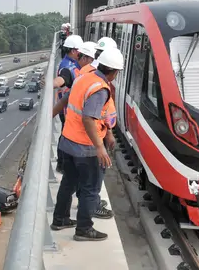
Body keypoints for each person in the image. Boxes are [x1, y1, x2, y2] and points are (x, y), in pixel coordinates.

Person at [51, 47, 124, 242]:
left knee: (68, 182)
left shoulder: (83, 77)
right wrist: (99, 147)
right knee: (91, 190)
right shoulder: (100, 88)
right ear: (115, 72)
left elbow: (66, 99)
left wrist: (49, 115)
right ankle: (84, 228)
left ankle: (60, 219)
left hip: (68, 142)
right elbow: (89, 118)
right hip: (86, 149)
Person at [53, 35, 84, 171]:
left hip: (68, 106)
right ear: (73, 51)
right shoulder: (67, 66)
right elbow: (63, 79)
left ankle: (64, 163)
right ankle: (62, 164)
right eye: (79, 50)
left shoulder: (72, 62)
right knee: (66, 136)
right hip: (66, 108)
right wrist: (51, 83)